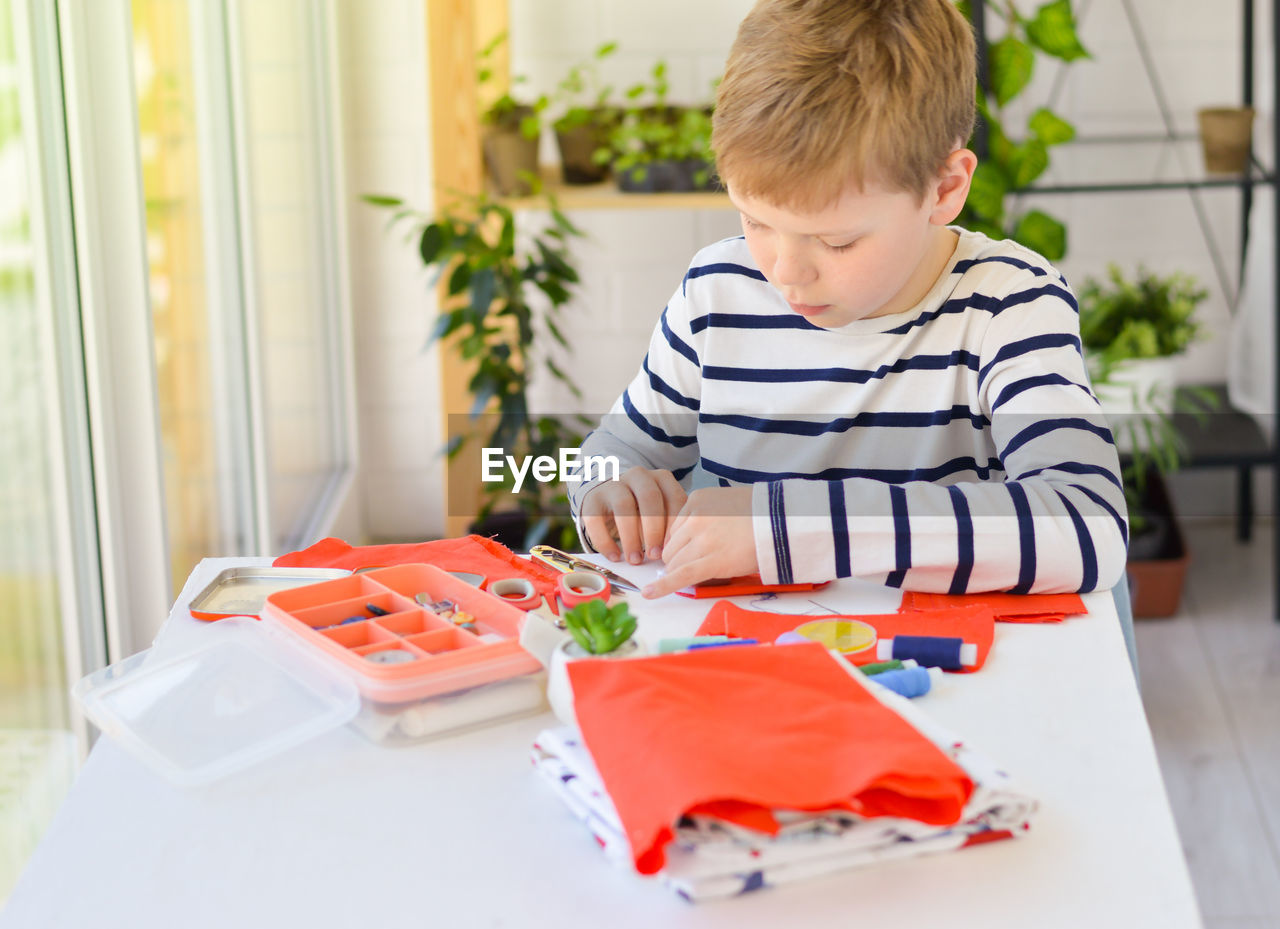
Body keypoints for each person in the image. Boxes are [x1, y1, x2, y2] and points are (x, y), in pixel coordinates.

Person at [568, 0, 1128, 621]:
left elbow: (1088, 526)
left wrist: (791, 529)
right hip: (742, 663)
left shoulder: (1008, 305)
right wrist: (604, 487)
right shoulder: (716, 291)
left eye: (836, 241)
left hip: (936, 677)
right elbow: (615, 446)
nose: (785, 271)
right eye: (755, 220)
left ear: (944, 188)